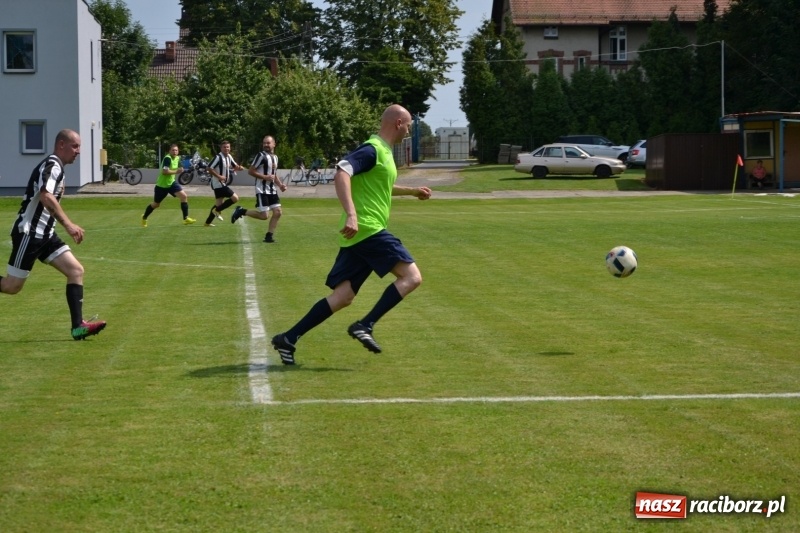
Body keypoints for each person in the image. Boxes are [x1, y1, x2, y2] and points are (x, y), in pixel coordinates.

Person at [271, 104, 432, 365]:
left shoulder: (386, 153)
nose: (410, 130)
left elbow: (382, 187)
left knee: (343, 296)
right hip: (368, 229)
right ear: (399, 123)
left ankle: (288, 338)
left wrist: (413, 192)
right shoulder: (373, 148)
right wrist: (352, 214)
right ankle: (365, 325)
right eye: (410, 125)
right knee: (412, 277)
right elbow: (342, 172)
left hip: (358, 236)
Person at [1, 129, 107, 340]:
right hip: (30, 233)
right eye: (75, 146)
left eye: (79, 147)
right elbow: (46, 195)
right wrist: (68, 224)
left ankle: (78, 327)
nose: (78, 152)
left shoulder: (58, 167)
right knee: (12, 287)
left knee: (75, 270)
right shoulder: (52, 165)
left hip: (46, 235)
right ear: (61, 145)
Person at [230, 135, 286, 242]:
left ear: (274, 144)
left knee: (278, 212)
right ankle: (242, 211)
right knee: (264, 216)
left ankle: (269, 236)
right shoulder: (261, 155)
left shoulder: (275, 157)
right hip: (262, 189)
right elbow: (251, 171)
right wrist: (265, 177)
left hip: (272, 189)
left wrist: (280, 185)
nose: (266, 145)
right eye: (264, 143)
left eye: (268, 143)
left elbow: (274, 174)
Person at [141, 144, 195, 226]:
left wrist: (186, 169)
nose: (174, 152)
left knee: (184, 196)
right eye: (173, 150)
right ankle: (144, 217)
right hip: (161, 186)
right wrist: (177, 171)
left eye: (176, 150)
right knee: (156, 204)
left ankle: (186, 218)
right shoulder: (167, 158)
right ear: (169, 151)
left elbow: (180, 168)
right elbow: (165, 172)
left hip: (171, 183)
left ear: (178, 151)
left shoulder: (177, 158)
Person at [203, 140, 244, 226]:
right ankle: (217, 211)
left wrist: (239, 168)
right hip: (218, 183)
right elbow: (209, 168)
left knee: (219, 204)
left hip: (222, 183)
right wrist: (219, 176)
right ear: (221, 148)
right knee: (235, 198)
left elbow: (235, 166)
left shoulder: (229, 156)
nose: (226, 149)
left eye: (228, 147)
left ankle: (207, 223)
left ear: (230, 148)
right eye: (224, 147)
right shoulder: (218, 157)